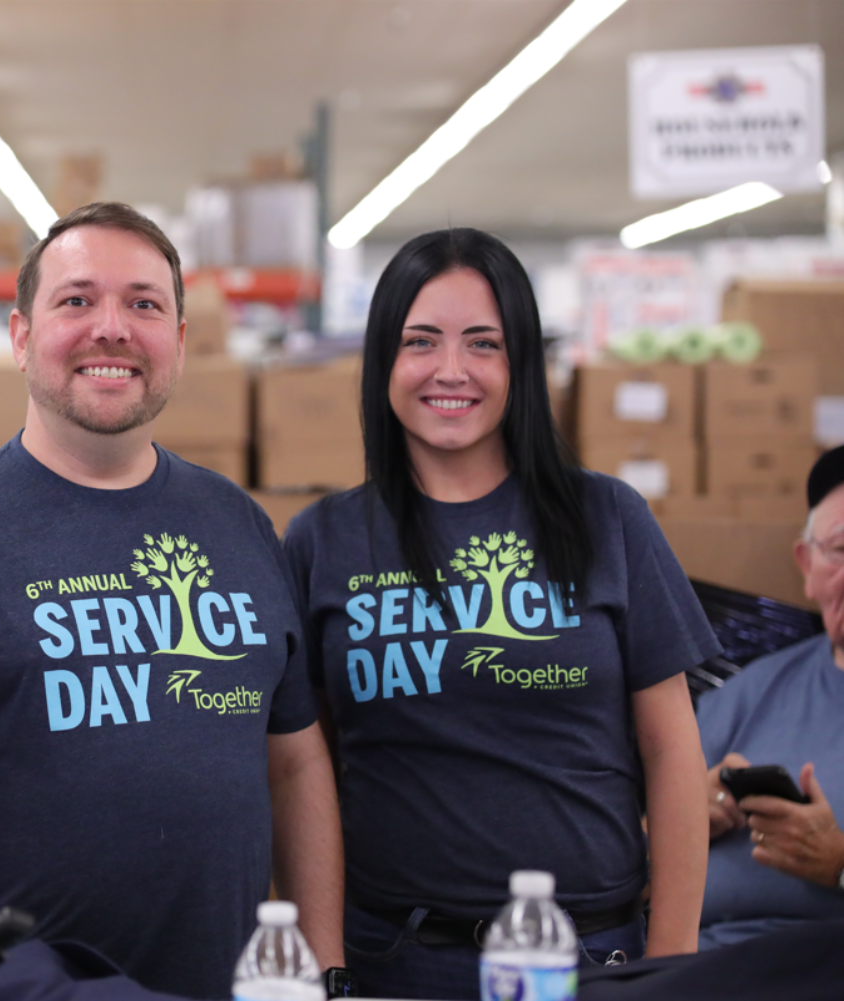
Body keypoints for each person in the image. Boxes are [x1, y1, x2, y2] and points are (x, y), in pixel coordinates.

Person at [0, 202, 344, 999]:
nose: (111, 328)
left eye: (144, 304)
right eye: (76, 300)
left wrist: (326, 973)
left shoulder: (240, 525)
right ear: (21, 336)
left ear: (180, 344)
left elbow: (293, 764)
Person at [283, 228, 716, 1001]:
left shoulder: (606, 517)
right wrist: (323, 965)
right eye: (422, 342)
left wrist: (673, 962)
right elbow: (299, 767)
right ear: (384, 357)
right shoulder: (325, 539)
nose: (451, 370)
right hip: (393, 961)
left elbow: (673, 751)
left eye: (483, 343)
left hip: (592, 957)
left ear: (521, 362)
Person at [697, 444, 844, 949]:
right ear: (807, 564)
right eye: (842, 549)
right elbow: (625, 867)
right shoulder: (749, 694)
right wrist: (683, 825)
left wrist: (839, 864)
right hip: (692, 964)